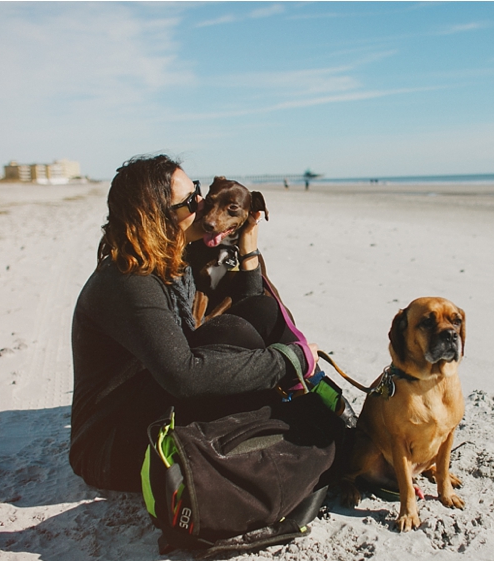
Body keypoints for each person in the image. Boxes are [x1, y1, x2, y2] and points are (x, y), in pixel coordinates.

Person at [69, 154, 320, 492]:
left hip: (149, 402)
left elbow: (252, 309)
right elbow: (183, 375)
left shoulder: (174, 260)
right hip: (109, 447)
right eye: (190, 201)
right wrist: (287, 362)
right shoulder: (129, 280)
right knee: (233, 335)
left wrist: (247, 248)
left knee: (262, 311)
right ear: (156, 219)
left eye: (198, 190)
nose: (203, 203)